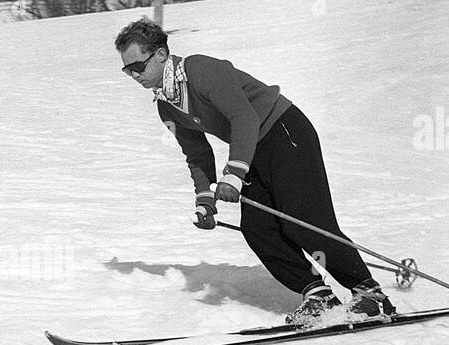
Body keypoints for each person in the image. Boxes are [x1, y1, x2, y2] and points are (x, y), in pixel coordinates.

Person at [113, 18, 395, 326]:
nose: (134, 75)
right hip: (253, 150)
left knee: (303, 221)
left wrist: (234, 173)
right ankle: (319, 296)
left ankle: (370, 293)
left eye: (138, 66)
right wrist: (205, 200)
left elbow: (244, 116)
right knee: (259, 229)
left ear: (161, 55)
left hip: (284, 130)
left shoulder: (200, 70)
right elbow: (197, 153)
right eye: (128, 70)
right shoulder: (166, 104)